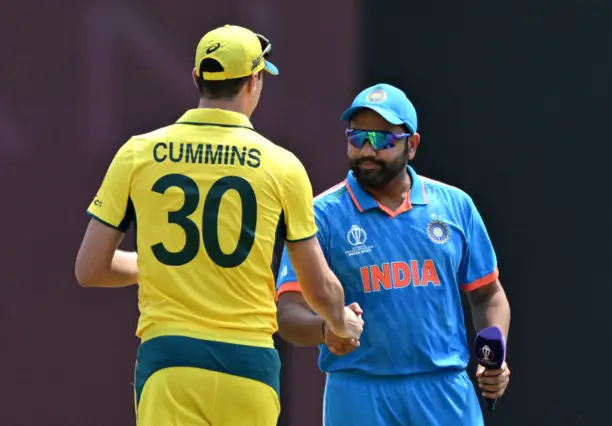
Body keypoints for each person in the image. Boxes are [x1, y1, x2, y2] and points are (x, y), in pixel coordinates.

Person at [74, 24, 363, 426]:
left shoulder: (137, 153)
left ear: (197, 79)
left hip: (169, 363)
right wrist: (340, 324)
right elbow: (318, 286)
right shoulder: (282, 166)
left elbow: (90, 269)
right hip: (248, 365)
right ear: (254, 80)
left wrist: (161, 266)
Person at [275, 83, 511, 426]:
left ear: (411, 145)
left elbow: (488, 294)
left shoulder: (455, 206)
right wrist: (327, 330)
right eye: (358, 138)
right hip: (358, 392)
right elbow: (288, 314)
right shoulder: (321, 215)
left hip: (443, 390)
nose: (367, 150)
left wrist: (495, 357)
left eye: (383, 140)